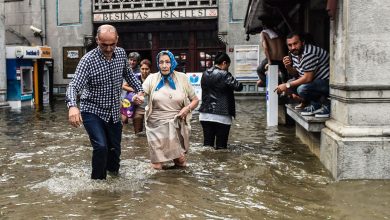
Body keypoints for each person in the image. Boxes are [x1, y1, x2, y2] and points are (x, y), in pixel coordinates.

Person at [65, 24, 144, 180]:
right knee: (101, 147)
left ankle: (114, 181)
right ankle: (98, 185)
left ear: (117, 40)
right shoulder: (87, 60)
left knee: (114, 152)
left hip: (114, 112)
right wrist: (73, 106)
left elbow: (129, 76)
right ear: (97, 40)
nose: (108, 49)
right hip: (92, 111)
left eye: (112, 44)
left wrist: (139, 91)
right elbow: (73, 86)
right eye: (104, 45)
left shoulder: (121, 54)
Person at [143, 50, 199, 170]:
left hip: (176, 123)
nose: (164, 65)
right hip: (155, 126)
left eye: (167, 62)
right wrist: (137, 97)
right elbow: (142, 92)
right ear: (158, 64)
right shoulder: (152, 78)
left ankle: (179, 186)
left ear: (172, 63)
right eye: (161, 62)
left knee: (180, 161)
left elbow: (195, 100)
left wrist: (187, 108)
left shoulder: (182, 78)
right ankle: (159, 187)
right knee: (156, 165)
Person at [275, 32, 330, 118]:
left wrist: (286, 85)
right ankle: (316, 104)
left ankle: (326, 104)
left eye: (295, 43)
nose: (293, 47)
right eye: (290, 45)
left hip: (327, 83)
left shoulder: (308, 53)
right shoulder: (294, 53)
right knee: (291, 83)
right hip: (315, 82)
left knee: (302, 89)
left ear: (302, 42)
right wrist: (288, 67)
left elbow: (307, 78)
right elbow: (297, 73)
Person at [198, 52, 243, 149]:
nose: (227, 68)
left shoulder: (204, 74)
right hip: (221, 115)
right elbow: (238, 87)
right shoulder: (225, 74)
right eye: (228, 66)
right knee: (221, 147)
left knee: (207, 146)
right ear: (224, 63)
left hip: (205, 115)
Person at [257, 20, 288, 87]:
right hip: (282, 58)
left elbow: (265, 48)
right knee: (285, 74)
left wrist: (269, 61)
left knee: (259, 70)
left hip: (273, 59)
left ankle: (270, 84)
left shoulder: (263, 33)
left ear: (264, 25)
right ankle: (284, 88)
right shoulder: (278, 32)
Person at [132, 59, 152, 134]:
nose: (144, 71)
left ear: (150, 69)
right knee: (137, 133)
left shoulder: (154, 78)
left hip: (151, 108)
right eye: (142, 69)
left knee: (151, 133)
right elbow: (124, 86)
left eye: (146, 69)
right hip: (139, 108)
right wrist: (135, 89)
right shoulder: (136, 77)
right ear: (140, 69)